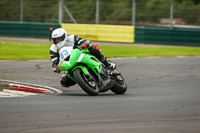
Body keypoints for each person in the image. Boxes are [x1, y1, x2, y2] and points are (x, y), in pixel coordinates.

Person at [50, 28, 116, 87]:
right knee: (63, 82)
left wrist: (84, 44)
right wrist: (56, 68)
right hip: (69, 63)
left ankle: (107, 63)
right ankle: (83, 80)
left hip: (81, 53)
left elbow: (83, 41)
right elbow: (55, 62)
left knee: (92, 47)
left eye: (59, 38)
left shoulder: (72, 38)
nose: (58, 41)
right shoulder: (53, 48)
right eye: (56, 40)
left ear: (64, 36)